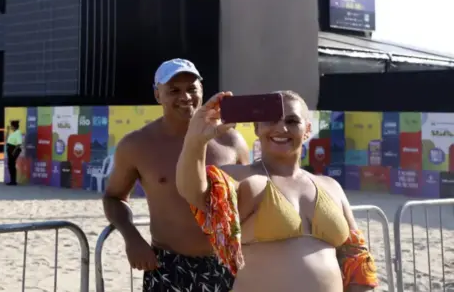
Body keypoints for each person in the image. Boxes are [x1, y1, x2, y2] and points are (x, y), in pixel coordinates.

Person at [176, 90, 378, 292]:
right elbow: (193, 192)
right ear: (257, 128)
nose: (281, 128)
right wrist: (196, 139)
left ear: (307, 130)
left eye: (292, 121)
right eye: (271, 120)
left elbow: (356, 256)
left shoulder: (330, 186)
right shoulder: (242, 179)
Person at [103, 59, 250, 292]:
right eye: (174, 90)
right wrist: (132, 238)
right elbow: (113, 198)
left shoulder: (231, 141)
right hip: (167, 265)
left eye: (192, 89)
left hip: (227, 263)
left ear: (202, 90)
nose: (185, 97)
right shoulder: (137, 145)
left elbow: (250, 201)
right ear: (157, 95)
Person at [5, 120, 23, 186]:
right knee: (10, 165)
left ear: (14, 126)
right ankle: (12, 180)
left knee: (12, 165)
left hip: (13, 149)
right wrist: (7, 131)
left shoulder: (17, 133)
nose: (11, 127)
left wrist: (13, 152)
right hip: (10, 149)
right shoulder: (13, 133)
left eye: (11, 126)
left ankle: (13, 181)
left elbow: (19, 143)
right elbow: (6, 140)